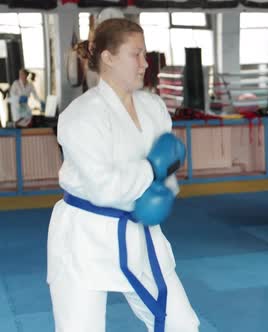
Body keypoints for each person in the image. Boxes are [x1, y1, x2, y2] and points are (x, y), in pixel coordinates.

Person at [47, 18, 200, 332]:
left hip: (140, 231)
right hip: (84, 238)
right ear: (108, 57)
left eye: (146, 55)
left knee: (182, 325)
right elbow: (104, 189)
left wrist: (165, 192)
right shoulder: (81, 115)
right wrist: (152, 169)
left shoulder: (154, 108)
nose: (146, 64)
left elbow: (167, 179)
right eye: (137, 54)